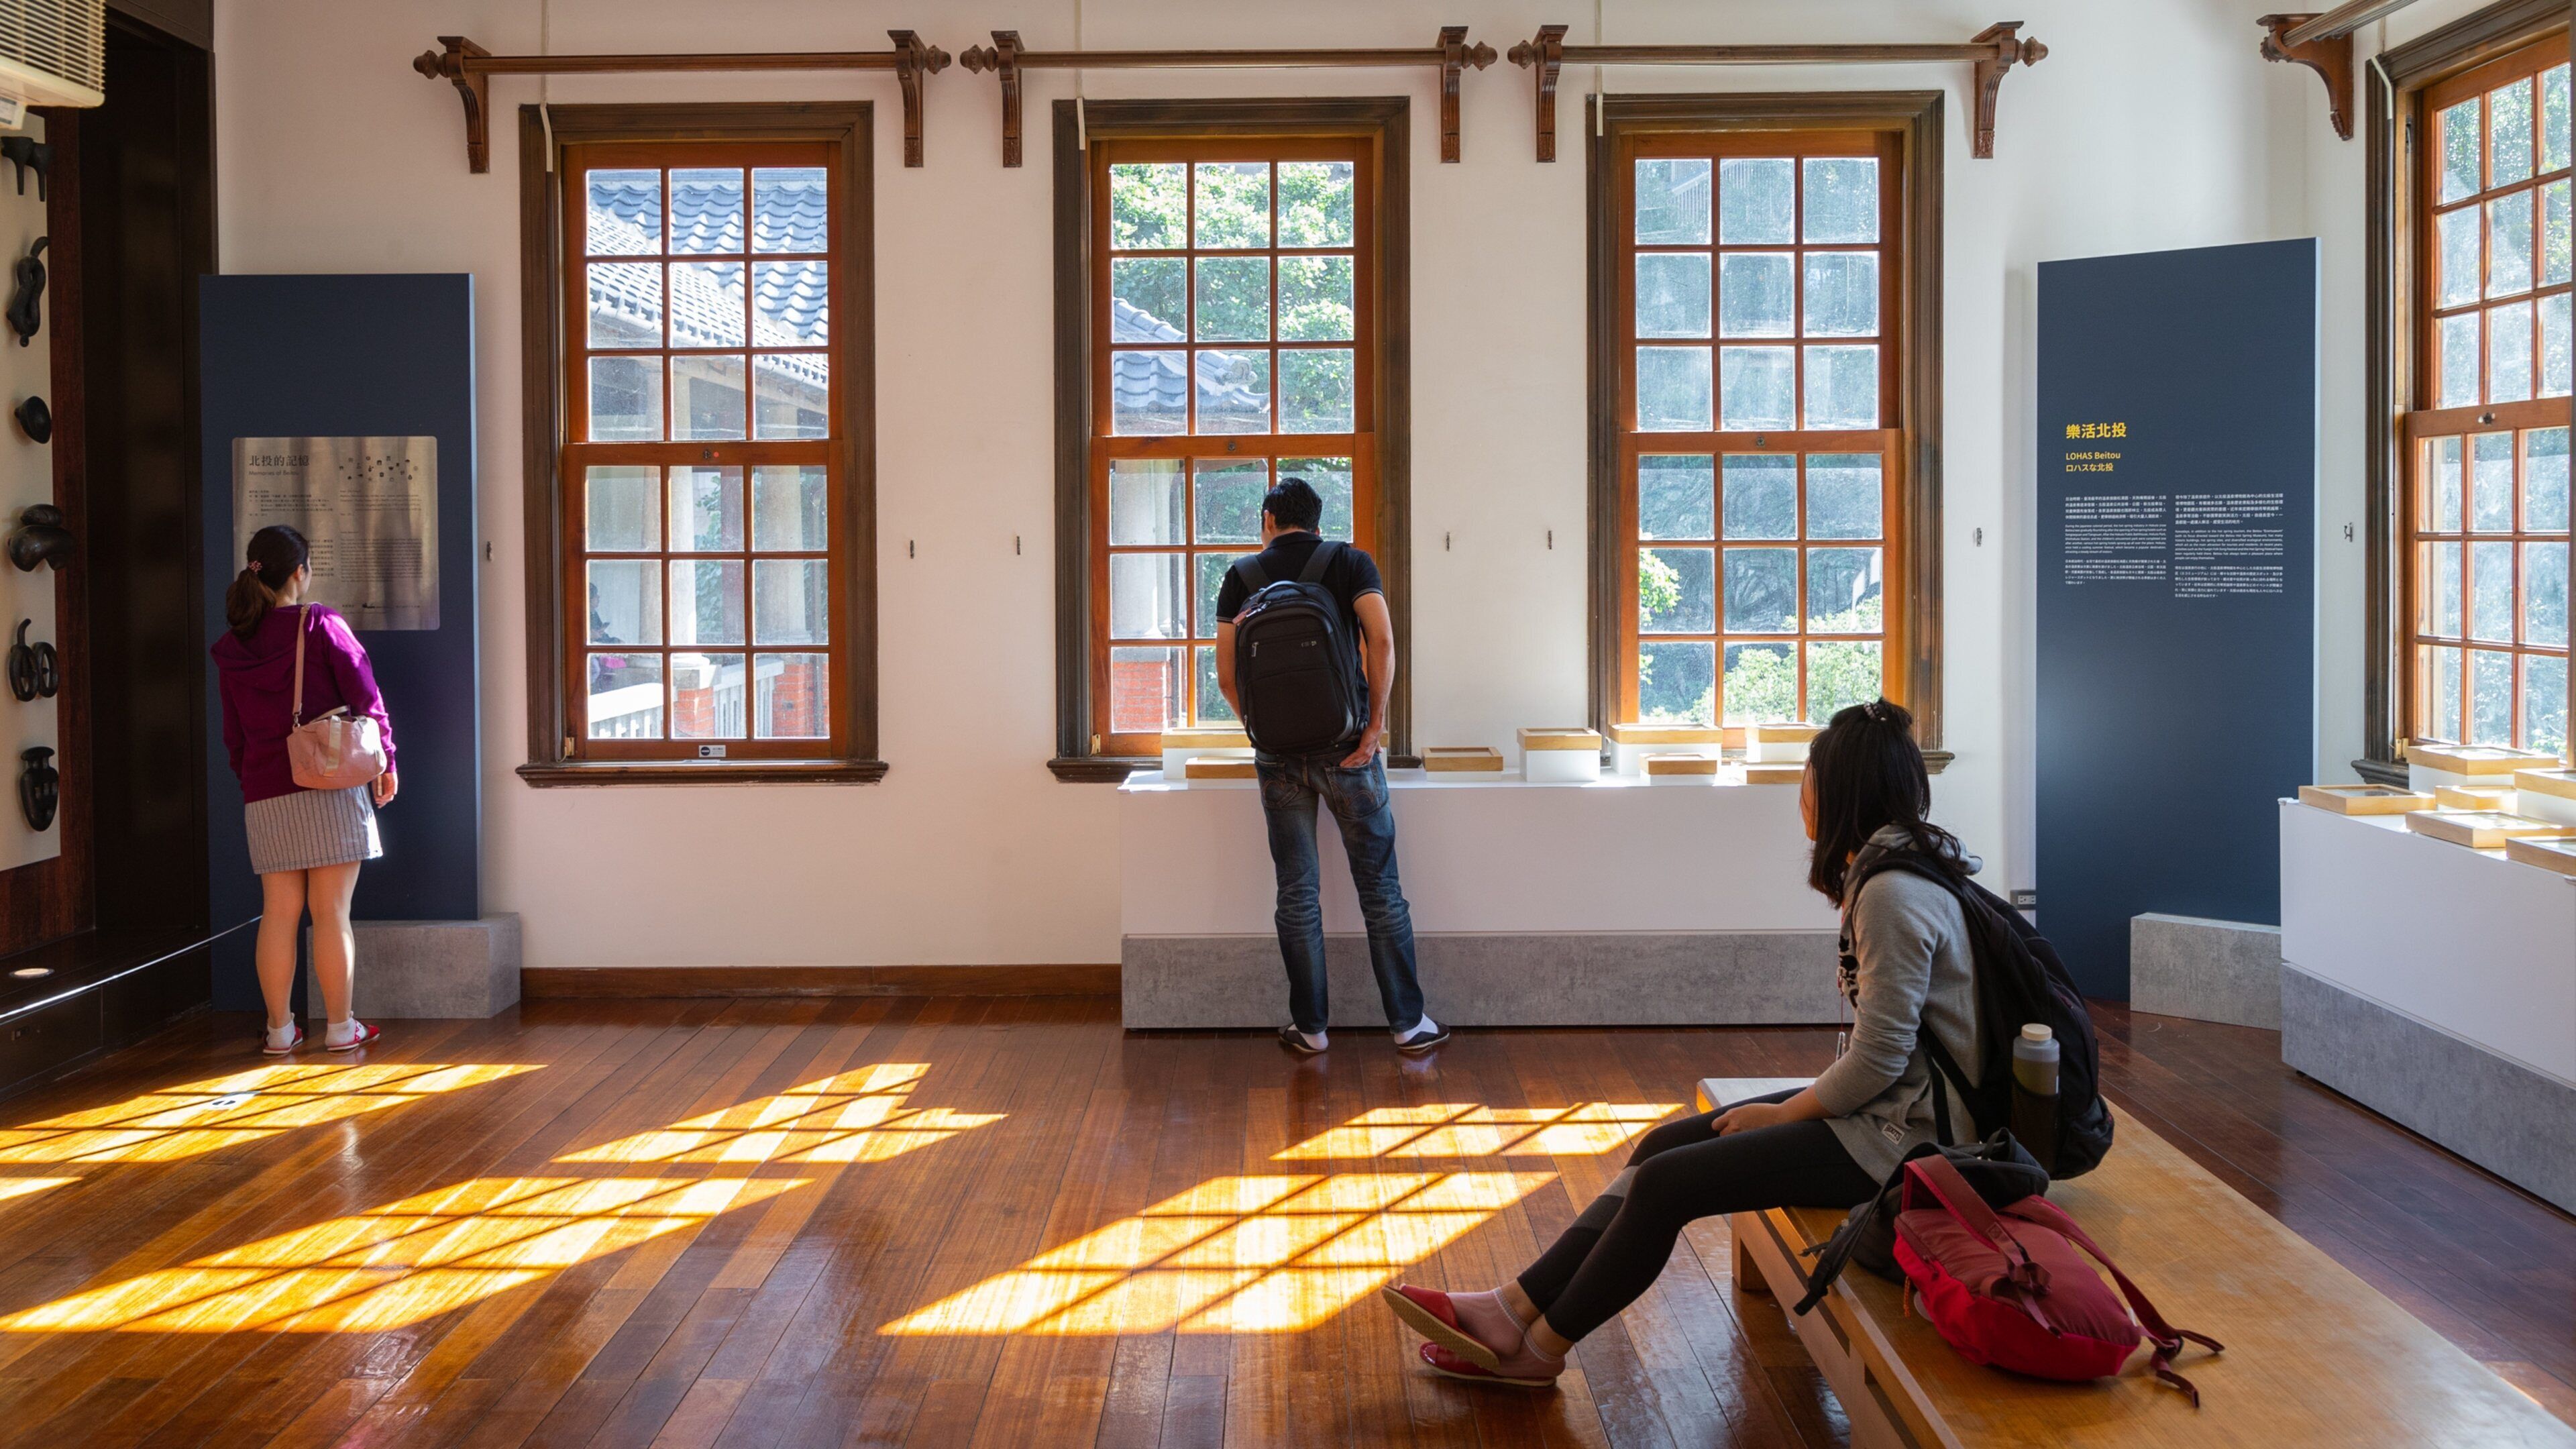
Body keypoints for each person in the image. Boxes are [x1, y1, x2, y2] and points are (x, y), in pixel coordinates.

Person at [1381, 698, 1977, 1385]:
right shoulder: (1897, 872)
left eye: (1808, 779)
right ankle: (1512, 1307)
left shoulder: (1892, 894)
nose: (1801, 797)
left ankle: (1539, 1348)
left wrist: (1786, 1115)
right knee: (1665, 1146)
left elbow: (1880, 1058)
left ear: (1839, 791)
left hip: (1913, 1142)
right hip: (1895, 1113)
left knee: (1668, 1184)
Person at [1214, 478, 1446, 1057]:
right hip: (1350, 750)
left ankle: (1311, 1029)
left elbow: (1225, 675)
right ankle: (1408, 1025)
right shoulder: (1350, 562)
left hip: (1279, 760)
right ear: (1318, 521)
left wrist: (1261, 733)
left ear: (1269, 519)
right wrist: (1373, 727)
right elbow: (1383, 642)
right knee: (1381, 889)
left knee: (1297, 892)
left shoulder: (1241, 577)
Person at [213, 525, 398, 1056]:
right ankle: (341, 1028)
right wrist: (387, 756)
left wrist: (255, 779)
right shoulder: (320, 624)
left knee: (278, 913)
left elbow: (233, 735)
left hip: (265, 789)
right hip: (330, 779)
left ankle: (279, 1031)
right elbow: (367, 695)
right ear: (300, 572)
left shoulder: (232, 646)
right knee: (332, 913)